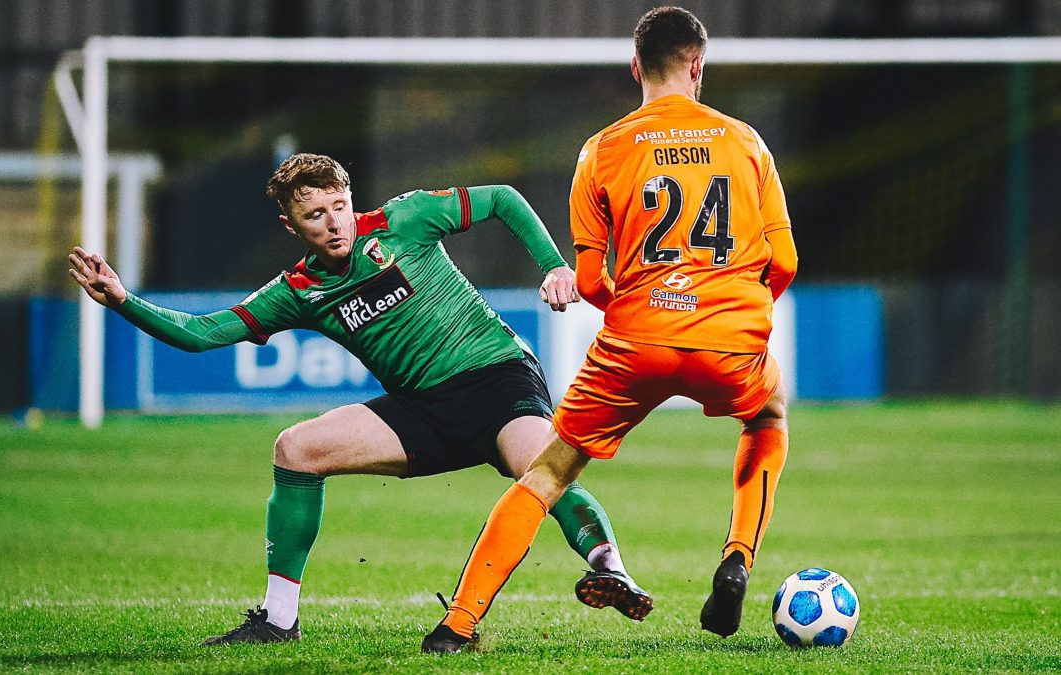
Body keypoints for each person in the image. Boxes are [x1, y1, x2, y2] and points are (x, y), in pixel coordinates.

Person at [68, 152, 653, 646]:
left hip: (496, 378)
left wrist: (554, 265)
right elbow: (203, 333)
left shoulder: (405, 219)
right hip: (419, 408)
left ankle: (611, 571)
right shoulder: (297, 290)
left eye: (338, 207)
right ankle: (278, 618)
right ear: (290, 225)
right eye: (313, 215)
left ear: (351, 200)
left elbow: (501, 196)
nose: (332, 223)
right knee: (297, 449)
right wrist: (122, 300)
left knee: (540, 469)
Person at [423, 6, 798, 653]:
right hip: (731, 338)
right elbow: (785, 262)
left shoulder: (601, 150)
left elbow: (593, 282)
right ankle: (737, 555)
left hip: (635, 340)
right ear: (697, 65)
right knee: (767, 417)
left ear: (635, 67)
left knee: (547, 473)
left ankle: (458, 624)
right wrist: (731, 310)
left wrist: (651, 310)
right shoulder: (747, 142)